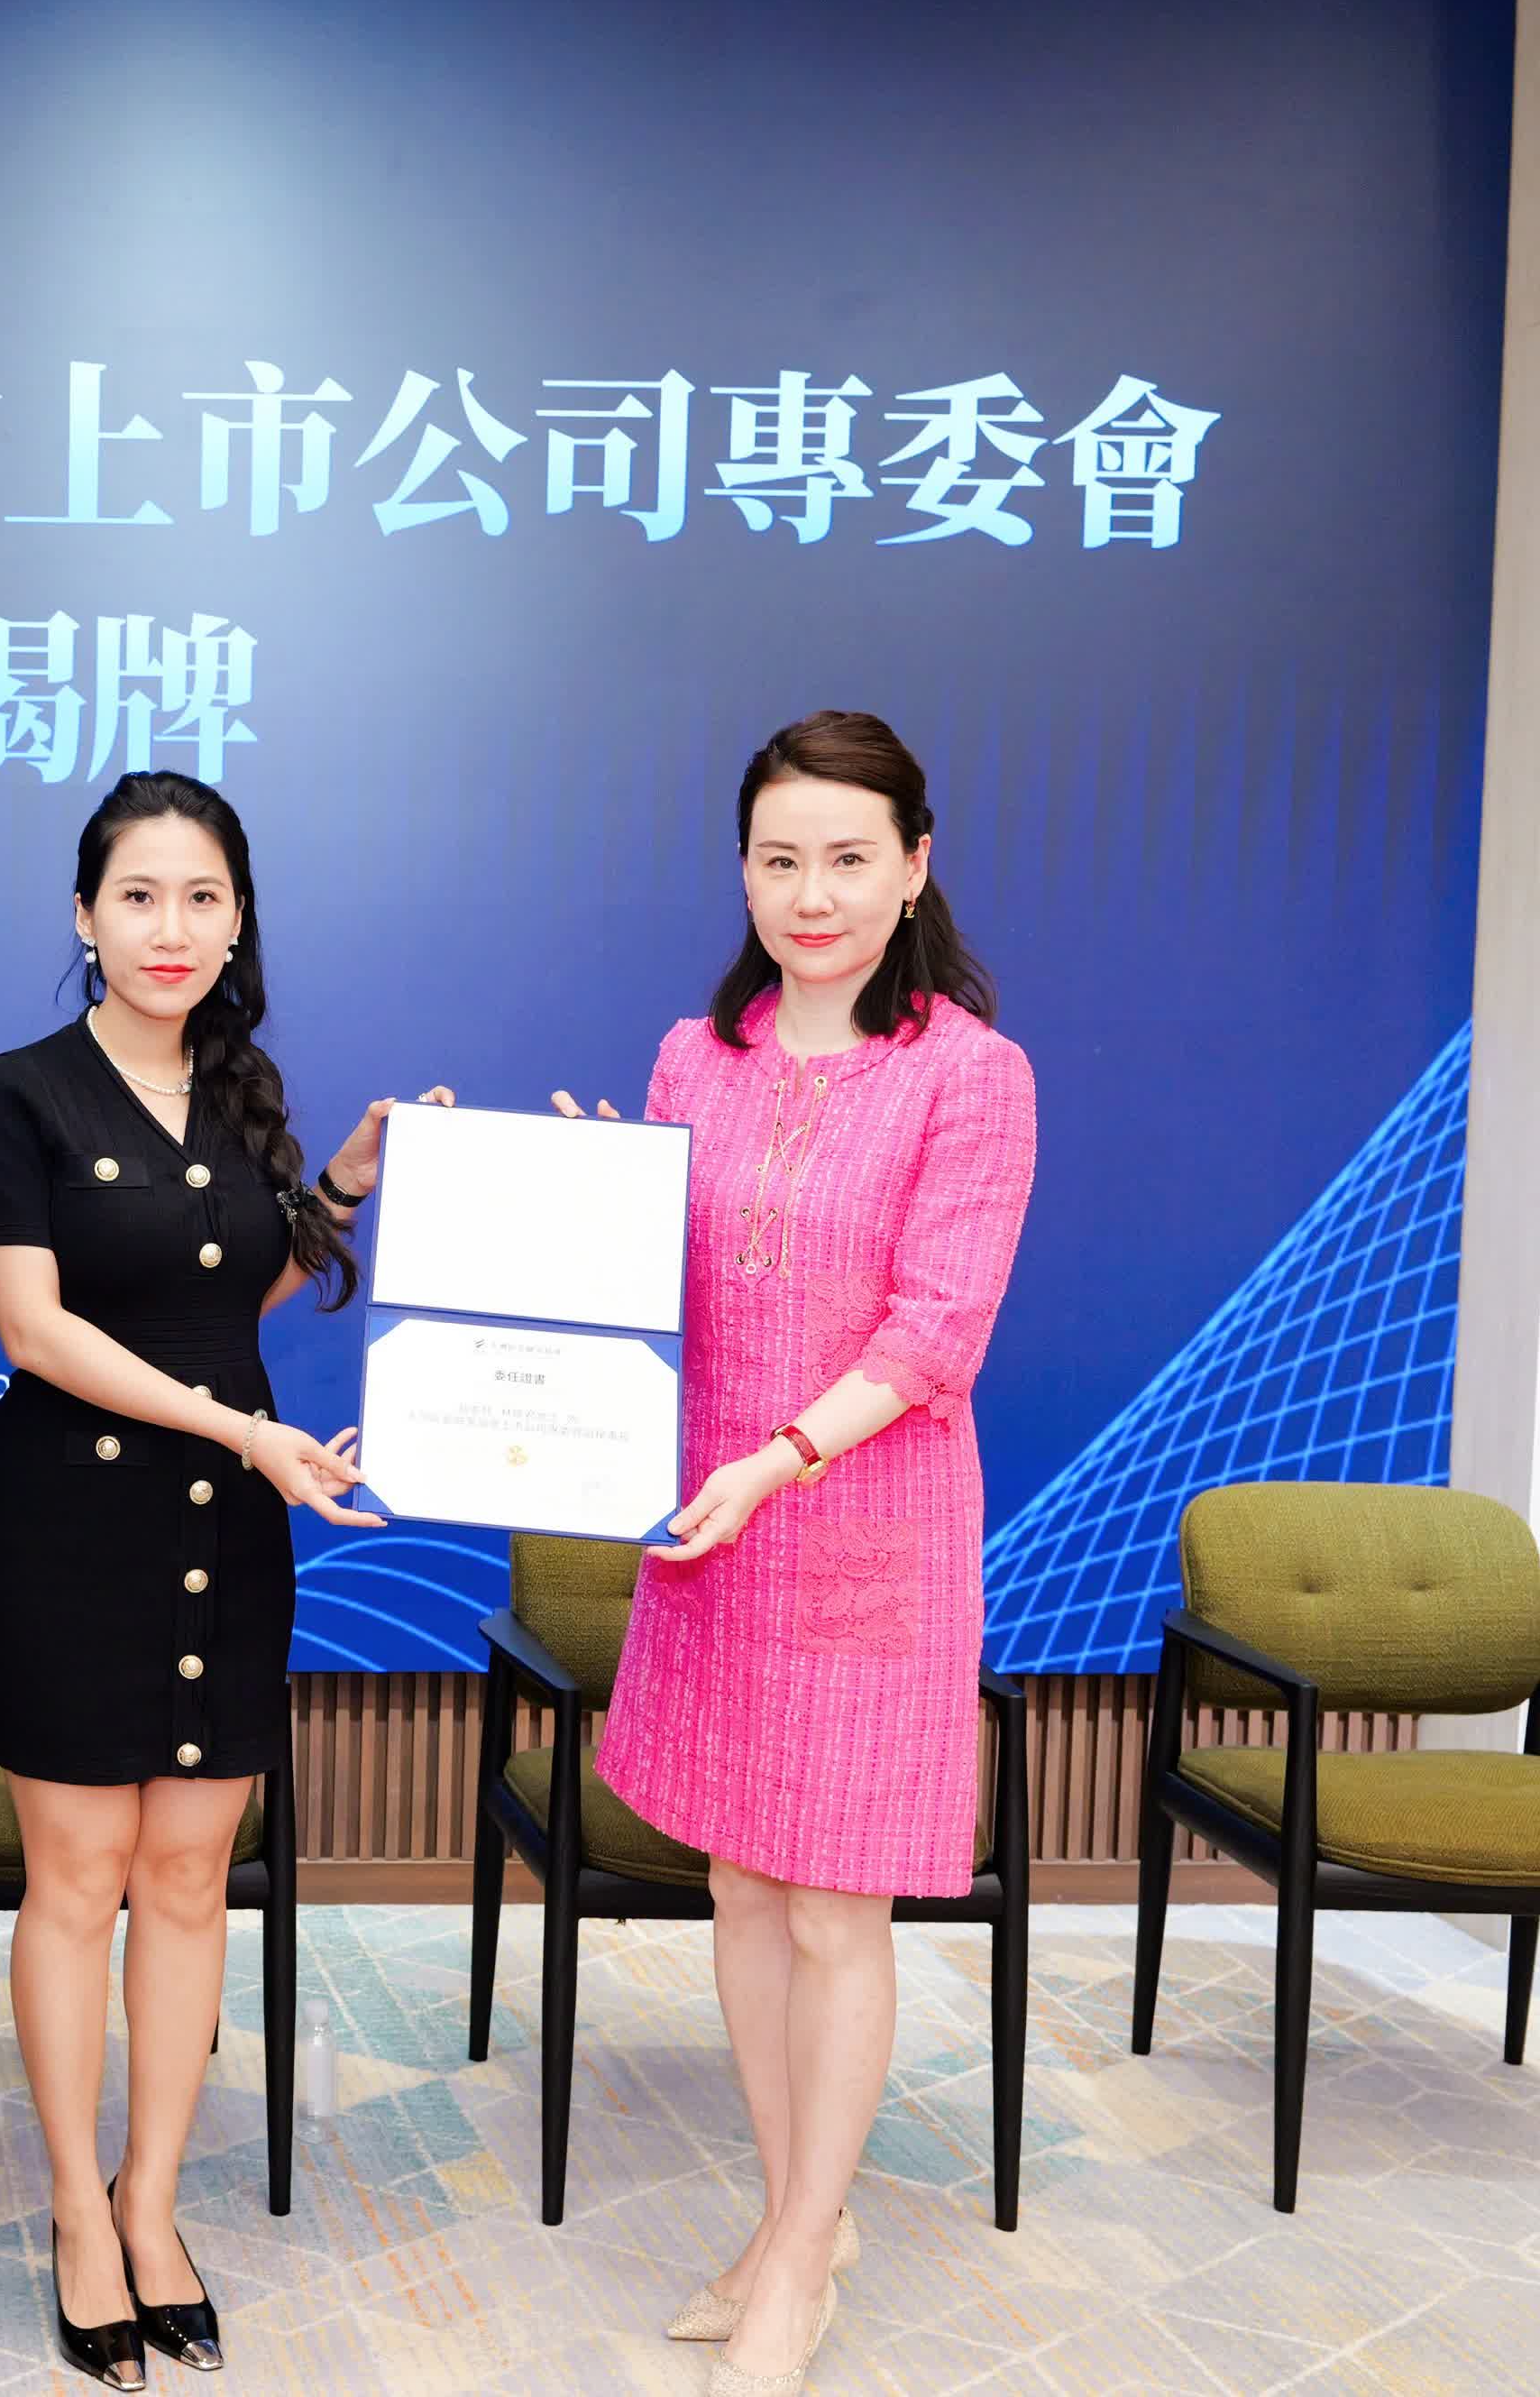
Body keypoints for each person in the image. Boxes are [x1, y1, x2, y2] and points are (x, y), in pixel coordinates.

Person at [0, 771, 447, 2389]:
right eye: (138, 895)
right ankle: (72, 2214)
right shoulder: (21, 1095)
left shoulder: (242, 1091)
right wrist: (241, 1430)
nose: (170, 928)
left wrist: (347, 1182)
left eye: (202, 897)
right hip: (71, 1528)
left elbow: (240, 1280)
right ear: (83, 915)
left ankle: (150, 2206)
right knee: (75, 1880)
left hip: (227, 1534)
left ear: (237, 922)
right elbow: (34, 1331)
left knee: (184, 1882)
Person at [573, 711, 1036, 2397]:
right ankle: (794, 2221)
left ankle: (796, 2252)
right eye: (780, 860)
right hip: (716, 1540)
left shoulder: (969, 1074)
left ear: (914, 867)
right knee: (738, 1885)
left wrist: (776, 1462)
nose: (812, 893)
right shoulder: (693, 1059)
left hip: (863, 1534)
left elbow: (935, 1334)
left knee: (838, 1907)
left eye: (848, 857)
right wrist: (580, 1207)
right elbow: (664, 1291)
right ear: (743, 873)